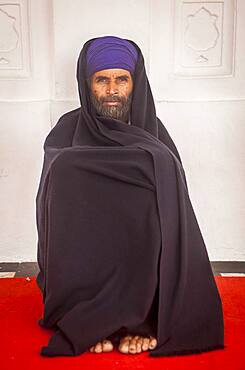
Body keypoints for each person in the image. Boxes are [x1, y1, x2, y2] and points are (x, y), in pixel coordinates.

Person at [35, 35, 225, 357]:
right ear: (86, 84)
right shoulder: (65, 131)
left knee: (160, 169)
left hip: (141, 257)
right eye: (101, 80)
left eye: (121, 79)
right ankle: (88, 316)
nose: (112, 90)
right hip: (86, 251)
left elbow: (176, 209)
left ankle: (142, 318)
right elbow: (50, 201)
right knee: (67, 169)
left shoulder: (154, 132)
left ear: (135, 84)